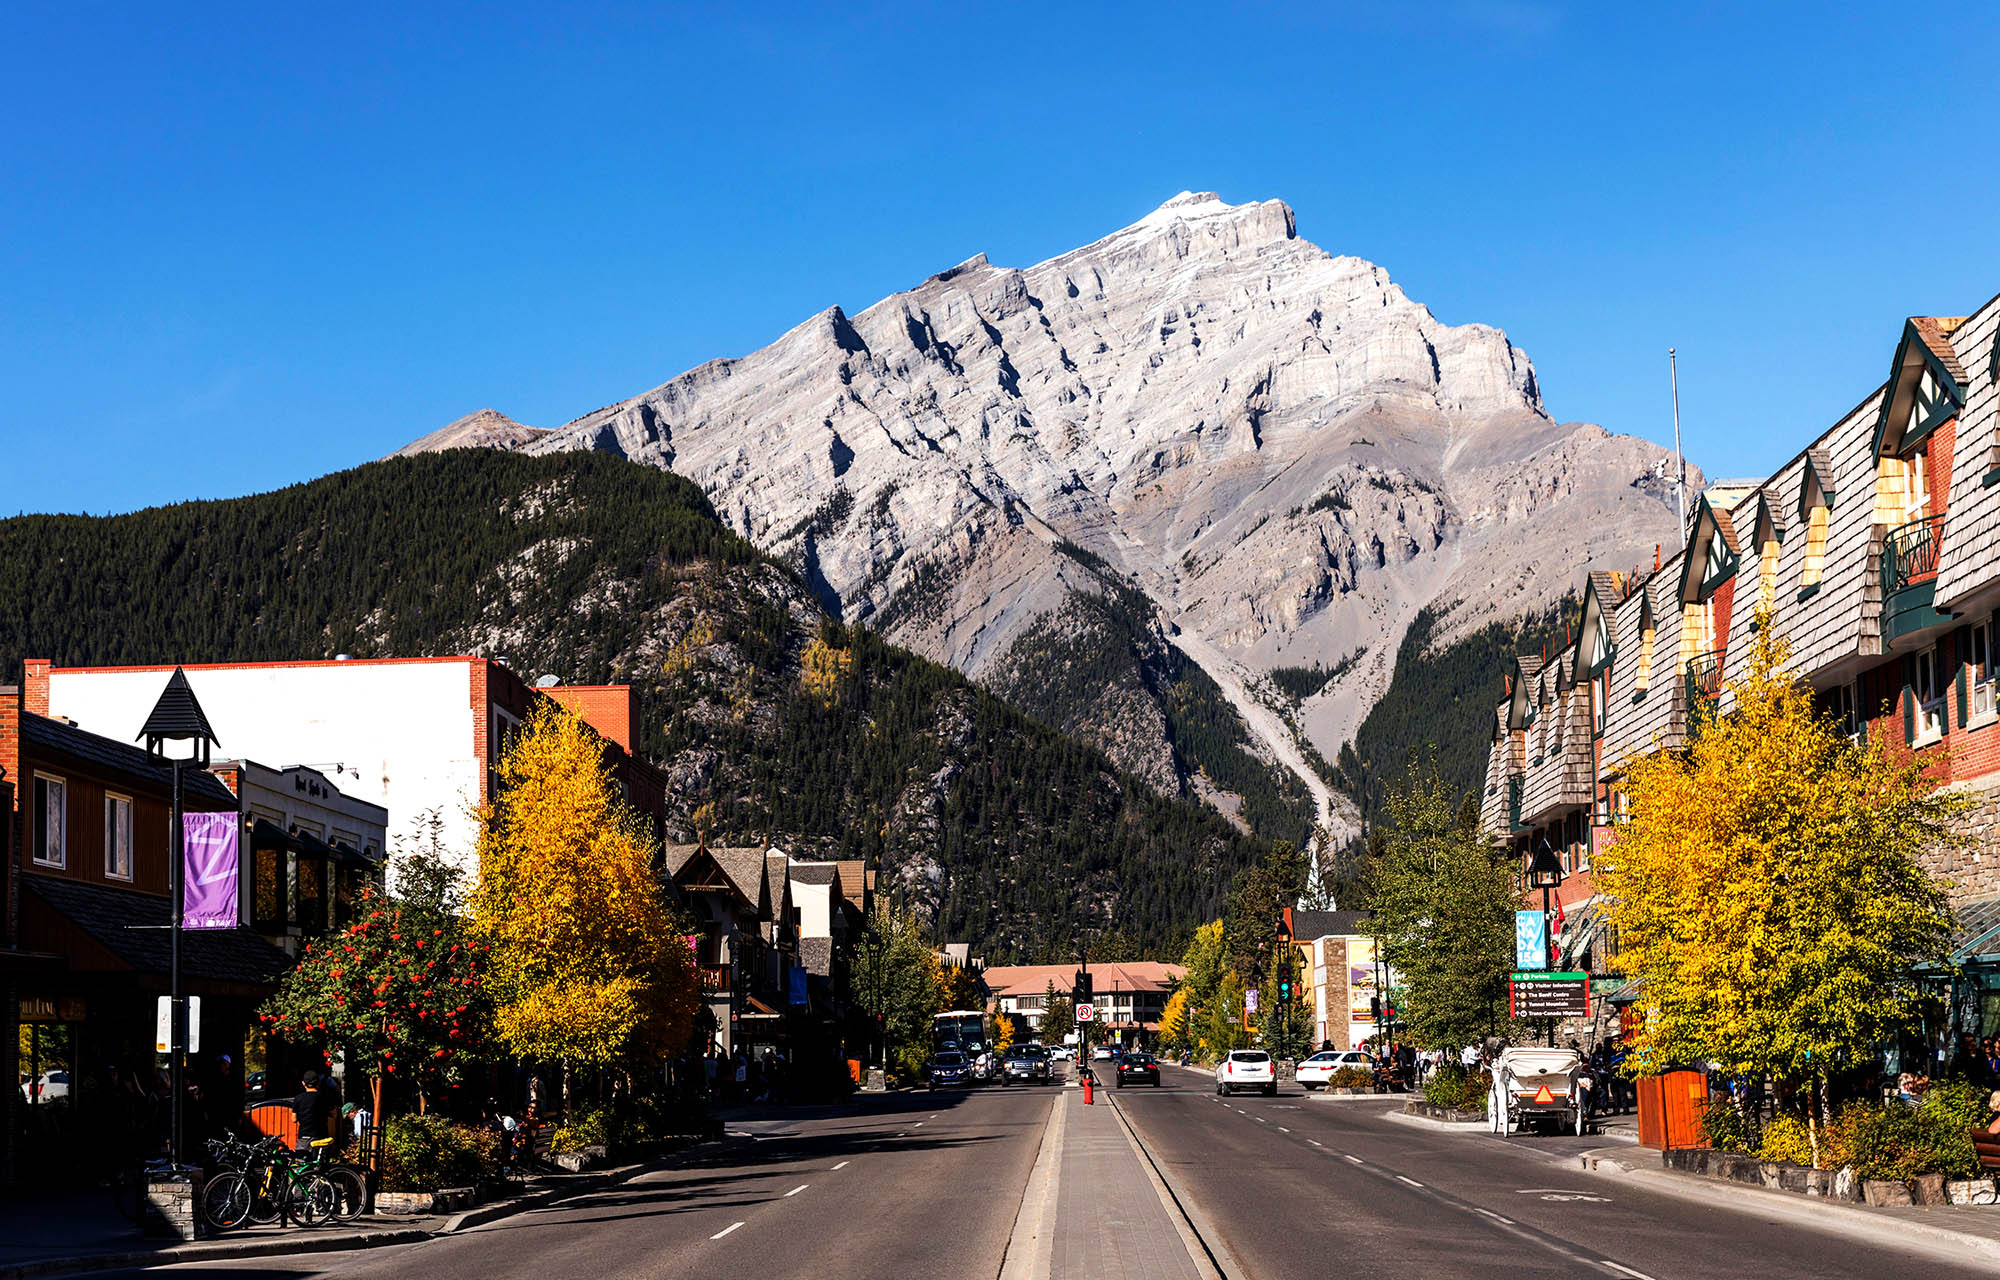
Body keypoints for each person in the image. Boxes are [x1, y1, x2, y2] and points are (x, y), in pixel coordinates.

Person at [291, 1069, 336, 1151]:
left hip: (304, 1138)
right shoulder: (324, 1098)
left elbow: (294, 1119)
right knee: (319, 1162)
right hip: (320, 1138)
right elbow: (334, 1114)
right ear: (318, 1083)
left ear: (303, 1083)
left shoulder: (298, 1098)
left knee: (302, 1162)